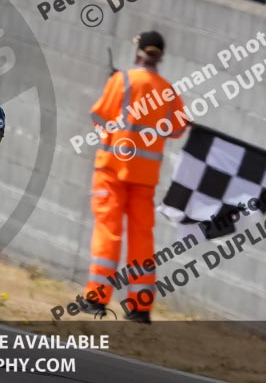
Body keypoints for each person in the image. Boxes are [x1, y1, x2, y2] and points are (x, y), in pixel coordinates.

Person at [83, 31, 188, 324]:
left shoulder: (123, 81)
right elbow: (179, 129)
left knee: (108, 234)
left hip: (112, 171)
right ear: (160, 56)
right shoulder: (168, 90)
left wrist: (114, 90)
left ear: (139, 51)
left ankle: (96, 300)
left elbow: (99, 118)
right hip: (145, 178)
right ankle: (140, 307)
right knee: (142, 238)